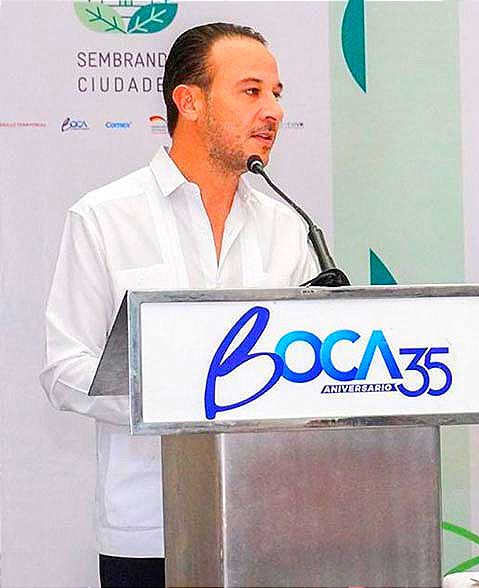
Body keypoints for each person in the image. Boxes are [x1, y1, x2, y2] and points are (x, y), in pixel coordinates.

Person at [40, 23, 318, 587]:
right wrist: (182, 396)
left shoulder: (288, 227)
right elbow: (65, 371)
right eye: (251, 91)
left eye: (276, 93)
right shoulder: (105, 217)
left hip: (271, 522)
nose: (273, 111)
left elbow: (311, 366)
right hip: (149, 530)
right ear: (189, 102)